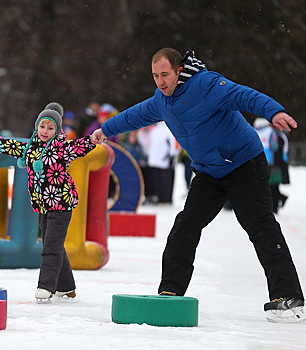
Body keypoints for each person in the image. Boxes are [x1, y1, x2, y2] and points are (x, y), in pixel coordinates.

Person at [91, 48, 304, 322]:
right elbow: (135, 115)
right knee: (185, 225)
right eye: (155, 76)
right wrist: (106, 129)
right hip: (208, 173)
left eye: (165, 74)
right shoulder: (161, 100)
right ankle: (170, 292)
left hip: (244, 165)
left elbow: (244, 95)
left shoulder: (206, 85)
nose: (160, 81)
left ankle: (288, 297)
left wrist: (273, 111)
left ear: (179, 71)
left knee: (260, 226)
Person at [0, 102, 98, 303]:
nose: (45, 131)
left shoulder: (61, 148)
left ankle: (46, 286)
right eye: (42, 126)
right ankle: (67, 288)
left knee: (50, 247)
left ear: (57, 130)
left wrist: (94, 139)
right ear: (36, 127)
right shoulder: (30, 148)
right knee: (54, 244)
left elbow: (79, 146)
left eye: (50, 128)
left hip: (61, 204)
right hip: (43, 205)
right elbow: (5, 144)